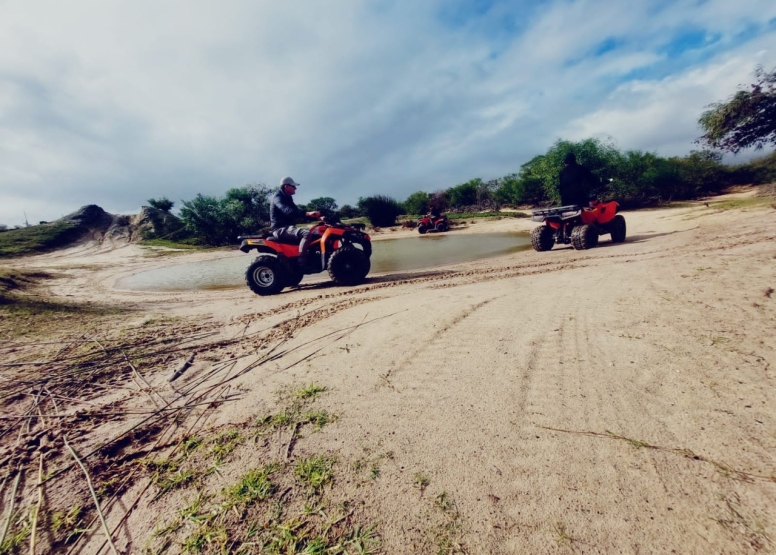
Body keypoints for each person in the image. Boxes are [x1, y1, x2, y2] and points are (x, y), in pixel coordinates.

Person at [269, 176, 320, 266]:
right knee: (306, 234)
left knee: (316, 232)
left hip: (288, 227)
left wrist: (316, 218)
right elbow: (287, 211)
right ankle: (302, 262)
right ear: (286, 186)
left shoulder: (288, 197)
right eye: (293, 186)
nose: (295, 188)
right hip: (279, 229)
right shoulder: (277, 197)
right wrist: (307, 213)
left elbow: (297, 213)